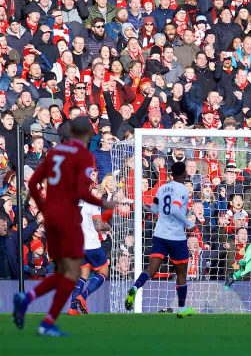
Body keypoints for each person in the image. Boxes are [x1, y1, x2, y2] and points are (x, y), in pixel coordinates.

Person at [13, 116, 116, 337]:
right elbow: (98, 223)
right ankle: (83, 296)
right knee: (103, 269)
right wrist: (107, 220)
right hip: (86, 239)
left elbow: (35, 184)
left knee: (78, 272)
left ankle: (68, 307)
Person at [124, 162, 196, 318]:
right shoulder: (182, 189)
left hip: (159, 234)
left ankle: (135, 289)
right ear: (183, 174)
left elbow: (155, 209)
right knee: (181, 272)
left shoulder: (162, 188)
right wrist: (189, 223)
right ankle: (182, 309)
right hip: (176, 236)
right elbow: (176, 209)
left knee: (151, 269)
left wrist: (164, 217)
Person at [68, 187, 113, 315]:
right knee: (104, 270)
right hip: (91, 244)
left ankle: (72, 308)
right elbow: (99, 226)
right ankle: (84, 295)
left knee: (84, 274)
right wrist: (108, 226)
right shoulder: (92, 204)